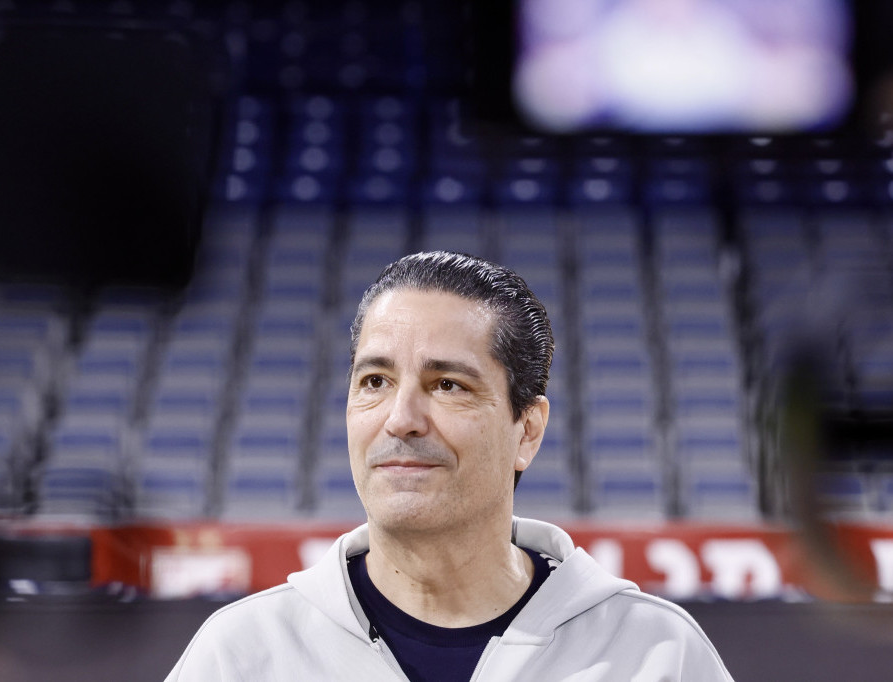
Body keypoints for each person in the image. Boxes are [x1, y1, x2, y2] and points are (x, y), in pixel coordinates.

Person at [166, 251, 733, 681]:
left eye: (448, 385)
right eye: (375, 381)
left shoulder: (654, 655)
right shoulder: (242, 655)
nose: (401, 419)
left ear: (527, 430)